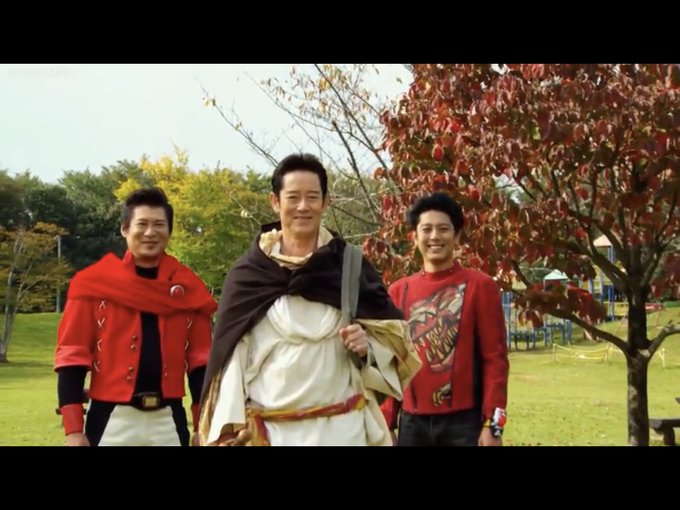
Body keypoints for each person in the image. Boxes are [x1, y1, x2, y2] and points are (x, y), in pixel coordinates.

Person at [198, 153, 420, 446]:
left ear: (326, 202)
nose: (303, 206)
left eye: (312, 197)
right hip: (271, 435)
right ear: (275, 202)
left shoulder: (348, 266)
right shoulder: (250, 275)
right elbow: (230, 358)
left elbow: (398, 345)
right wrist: (227, 427)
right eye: (293, 197)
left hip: (343, 432)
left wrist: (368, 348)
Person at [54, 187, 217, 446]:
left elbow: (202, 363)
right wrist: (73, 429)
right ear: (125, 229)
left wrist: (202, 426)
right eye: (142, 224)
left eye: (159, 225)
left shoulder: (189, 289)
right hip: (111, 419)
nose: (150, 232)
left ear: (169, 231)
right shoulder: (94, 286)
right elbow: (72, 357)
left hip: (168, 420)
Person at [380, 192, 509, 446]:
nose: (434, 237)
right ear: (414, 237)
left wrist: (493, 426)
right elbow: (390, 362)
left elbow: (495, 360)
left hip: (465, 425)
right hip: (412, 425)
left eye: (443, 229)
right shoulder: (398, 292)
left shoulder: (480, 286)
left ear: (457, 236)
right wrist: (386, 423)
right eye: (426, 229)